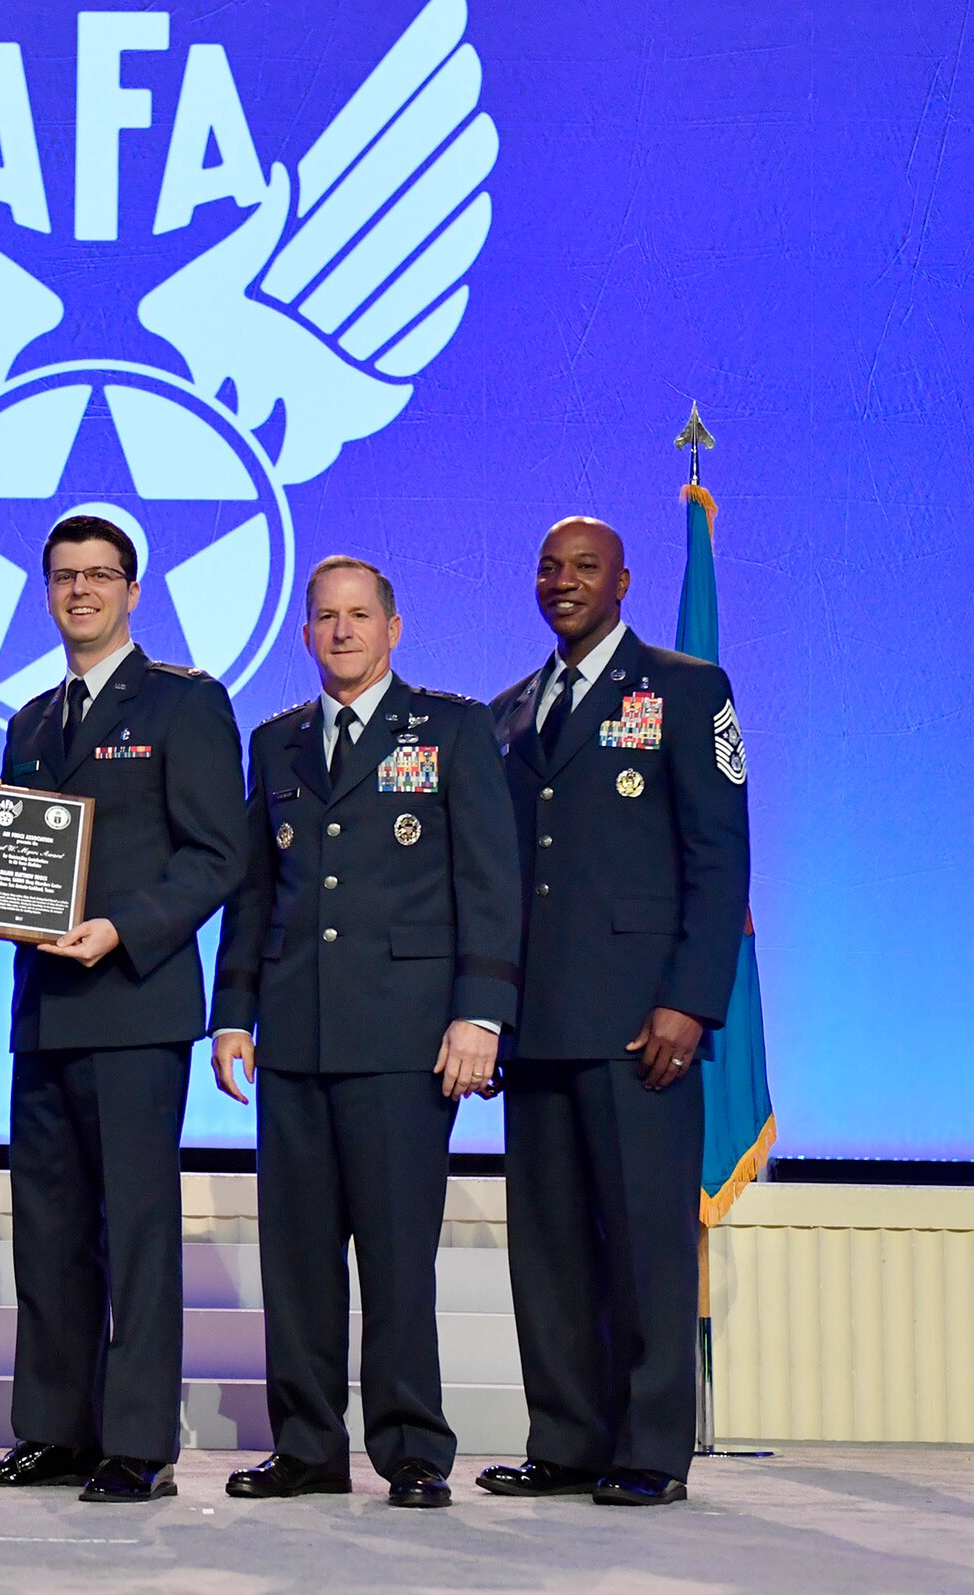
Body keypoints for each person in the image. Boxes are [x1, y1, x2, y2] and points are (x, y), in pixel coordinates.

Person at [208, 556, 522, 1508]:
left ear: (394, 627)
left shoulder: (454, 729)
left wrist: (480, 1012)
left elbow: (490, 882)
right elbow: (255, 893)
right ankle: (306, 1446)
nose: (341, 632)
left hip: (405, 1039)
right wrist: (232, 1013)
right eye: (324, 618)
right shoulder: (278, 742)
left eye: (359, 615)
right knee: (296, 1261)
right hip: (296, 1041)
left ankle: (413, 1447)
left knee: (394, 1257)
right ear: (304, 634)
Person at [0, 514, 247, 1504]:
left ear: (132, 590)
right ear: (45, 592)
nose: (79, 590)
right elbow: (23, 865)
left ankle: (135, 1443)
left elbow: (217, 853)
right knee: (45, 1226)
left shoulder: (184, 703)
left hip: (133, 1002)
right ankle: (52, 1429)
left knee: (134, 1230)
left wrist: (125, 924)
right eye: (62, 576)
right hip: (42, 1009)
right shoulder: (32, 719)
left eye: (98, 575)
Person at [481, 516, 750, 1508]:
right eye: (547, 567)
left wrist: (689, 998)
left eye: (582, 567)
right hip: (536, 1019)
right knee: (546, 1246)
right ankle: (563, 1437)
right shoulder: (508, 710)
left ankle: (646, 1448)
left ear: (623, 581)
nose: (562, 581)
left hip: (643, 1022)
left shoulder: (684, 689)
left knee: (642, 1244)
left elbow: (718, 857)